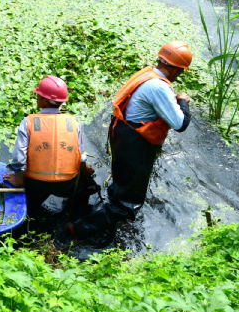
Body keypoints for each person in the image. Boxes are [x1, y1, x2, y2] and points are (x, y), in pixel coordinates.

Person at [68, 42, 193, 241]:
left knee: (121, 182)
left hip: (123, 133)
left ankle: (107, 210)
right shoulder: (159, 88)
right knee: (128, 202)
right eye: (181, 71)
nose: (180, 75)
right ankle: (79, 229)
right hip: (136, 143)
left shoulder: (147, 74)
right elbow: (180, 123)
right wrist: (183, 101)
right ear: (175, 68)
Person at [2, 75, 94, 222]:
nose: (37, 97)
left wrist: (19, 179)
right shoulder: (74, 123)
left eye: (39, 95)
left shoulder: (28, 122)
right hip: (67, 184)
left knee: (31, 211)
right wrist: (85, 172)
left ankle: (28, 220)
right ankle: (73, 214)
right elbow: (80, 155)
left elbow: (19, 158)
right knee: (85, 182)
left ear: (44, 100)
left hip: (35, 183)